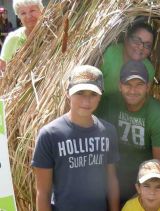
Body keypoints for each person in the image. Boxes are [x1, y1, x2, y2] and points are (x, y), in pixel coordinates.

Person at [32, 65, 120, 211]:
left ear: (100, 96)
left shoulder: (108, 131)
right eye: (80, 93)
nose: (86, 101)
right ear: (68, 93)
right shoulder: (50, 135)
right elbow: (43, 193)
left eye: (93, 94)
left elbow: (112, 181)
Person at [98, 60, 160, 204]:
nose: (133, 90)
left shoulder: (156, 114)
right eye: (128, 85)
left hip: (142, 185)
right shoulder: (107, 103)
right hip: (108, 179)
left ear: (148, 87)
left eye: (139, 85)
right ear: (120, 86)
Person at [99, 21, 156, 99]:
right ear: (126, 38)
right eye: (136, 40)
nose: (141, 47)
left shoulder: (149, 69)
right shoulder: (109, 54)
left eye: (147, 45)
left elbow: (141, 100)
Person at [0, 0, 43, 72]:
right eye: (23, 13)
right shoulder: (12, 39)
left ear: (42, 11)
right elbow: (2, 70)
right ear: (18, 16)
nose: (29, 16)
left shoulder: (53, 34)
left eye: (32, 10)